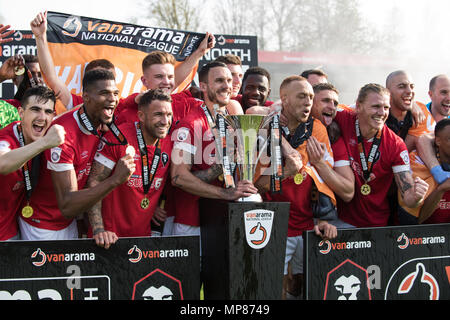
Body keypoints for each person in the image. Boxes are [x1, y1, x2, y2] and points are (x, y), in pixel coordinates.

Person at [18, 69, 135, 240]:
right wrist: (115, 179)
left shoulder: (99, 119)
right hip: (42, 226)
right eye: (104, 93)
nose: (112, 99)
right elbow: (67, 205)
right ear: (86, 97)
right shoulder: (63, 136)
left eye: (115, 93)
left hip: (68, 223)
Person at [254, 75, 338, 300]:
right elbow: (255, 186)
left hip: (306, 224)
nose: (308, 102)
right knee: (275, 288)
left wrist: (324, 218)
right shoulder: (262, 127)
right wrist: (286, 172)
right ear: (284, 100)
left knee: (301, 285)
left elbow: (324, 176)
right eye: (301, 96)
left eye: (311, 97)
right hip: (273, 226)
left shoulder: (317, 128)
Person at [169, 61, 258, 238]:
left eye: (228, 80)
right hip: (193, 223)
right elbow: (178, 177)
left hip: (223, 218)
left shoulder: (229, 120)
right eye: (219, 81)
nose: (227, 86)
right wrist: (225, 193)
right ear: (203, 86)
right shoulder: (190, 124)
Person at [85, 89, 173, 248]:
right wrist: (99, 229)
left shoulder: (169, 142)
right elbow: (94, 181)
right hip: (108, 239)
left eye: (169, 115)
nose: (165, 121)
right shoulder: (118, 138)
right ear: (141, 116)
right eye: (158, 114)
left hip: (142, 239)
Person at [333, 83, 429, 228]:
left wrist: (416, 197)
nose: (381, 113)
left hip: (376, 224)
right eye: (376, 106)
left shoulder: (395, 144)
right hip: (340, 221)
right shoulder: (343, 117)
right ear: (358, 106)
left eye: (386, 108)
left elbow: (408, 196)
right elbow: (317, 107)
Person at [0, 86, 65, 240]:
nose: (42, 117)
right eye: (35, 109)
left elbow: (79, 110)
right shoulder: (6, 139)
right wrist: (44, 143)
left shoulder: (43, 130)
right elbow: (2, 163)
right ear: (21, 113)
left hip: (10, 233)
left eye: (48, 112)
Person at [308, 83, 355, 205]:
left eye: (335, 103)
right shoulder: (285, 124)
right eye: (326, 101)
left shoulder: (334, 137)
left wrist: (319, 163)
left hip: (320, 215)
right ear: (309, 102)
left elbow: (348, 192)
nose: (332, 107)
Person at [399, 118, 450, 224]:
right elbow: (415, 221)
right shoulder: (418, 165)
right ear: (438, 141)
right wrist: (441, 189)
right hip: (426, 236)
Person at [385, 70, 435, 151]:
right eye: (401, 86)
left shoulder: (422, 111)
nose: (409, 91)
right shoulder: (377, 112)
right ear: (387, 92)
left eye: (412, 86)